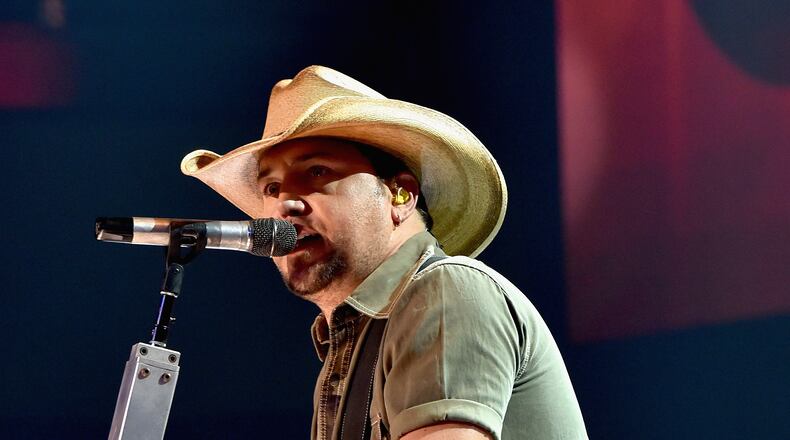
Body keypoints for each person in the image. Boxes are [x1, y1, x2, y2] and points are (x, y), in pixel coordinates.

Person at [180, 66, 587, 440]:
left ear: (401, 194)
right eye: (271, 189)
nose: (285, 203)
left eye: (317, 171)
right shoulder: (351, 342)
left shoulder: (445, 290)